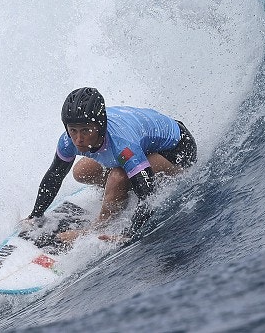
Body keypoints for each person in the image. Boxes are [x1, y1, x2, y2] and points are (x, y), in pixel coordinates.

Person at [25, 87, 197, 244]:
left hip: (178, 150)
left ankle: (99, 226)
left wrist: (129, 233)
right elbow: (54, 175)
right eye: (73, 130)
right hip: (141, 146)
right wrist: (35, 215)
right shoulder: (68, 140)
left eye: (85, 130)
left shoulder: (123, 144)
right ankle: (123, 192)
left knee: (118, 175)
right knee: (81, 171)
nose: (78, 139)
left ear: (100, 127)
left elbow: (148, 195)